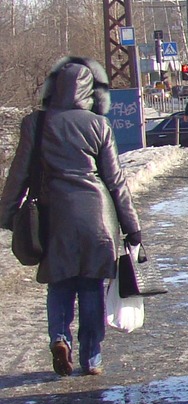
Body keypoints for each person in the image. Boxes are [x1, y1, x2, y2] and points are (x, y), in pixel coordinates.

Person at [0, 57, 143, 377]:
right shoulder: (98, 124)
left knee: (60, 285)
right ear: (90, 93)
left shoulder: (36, 123)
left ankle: (59, 339)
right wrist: (132, 228)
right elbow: (115, 181)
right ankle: (91, 357)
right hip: (98, 217)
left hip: (55, 218)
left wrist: (6, 213)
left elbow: (18, 174)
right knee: (91, 288)